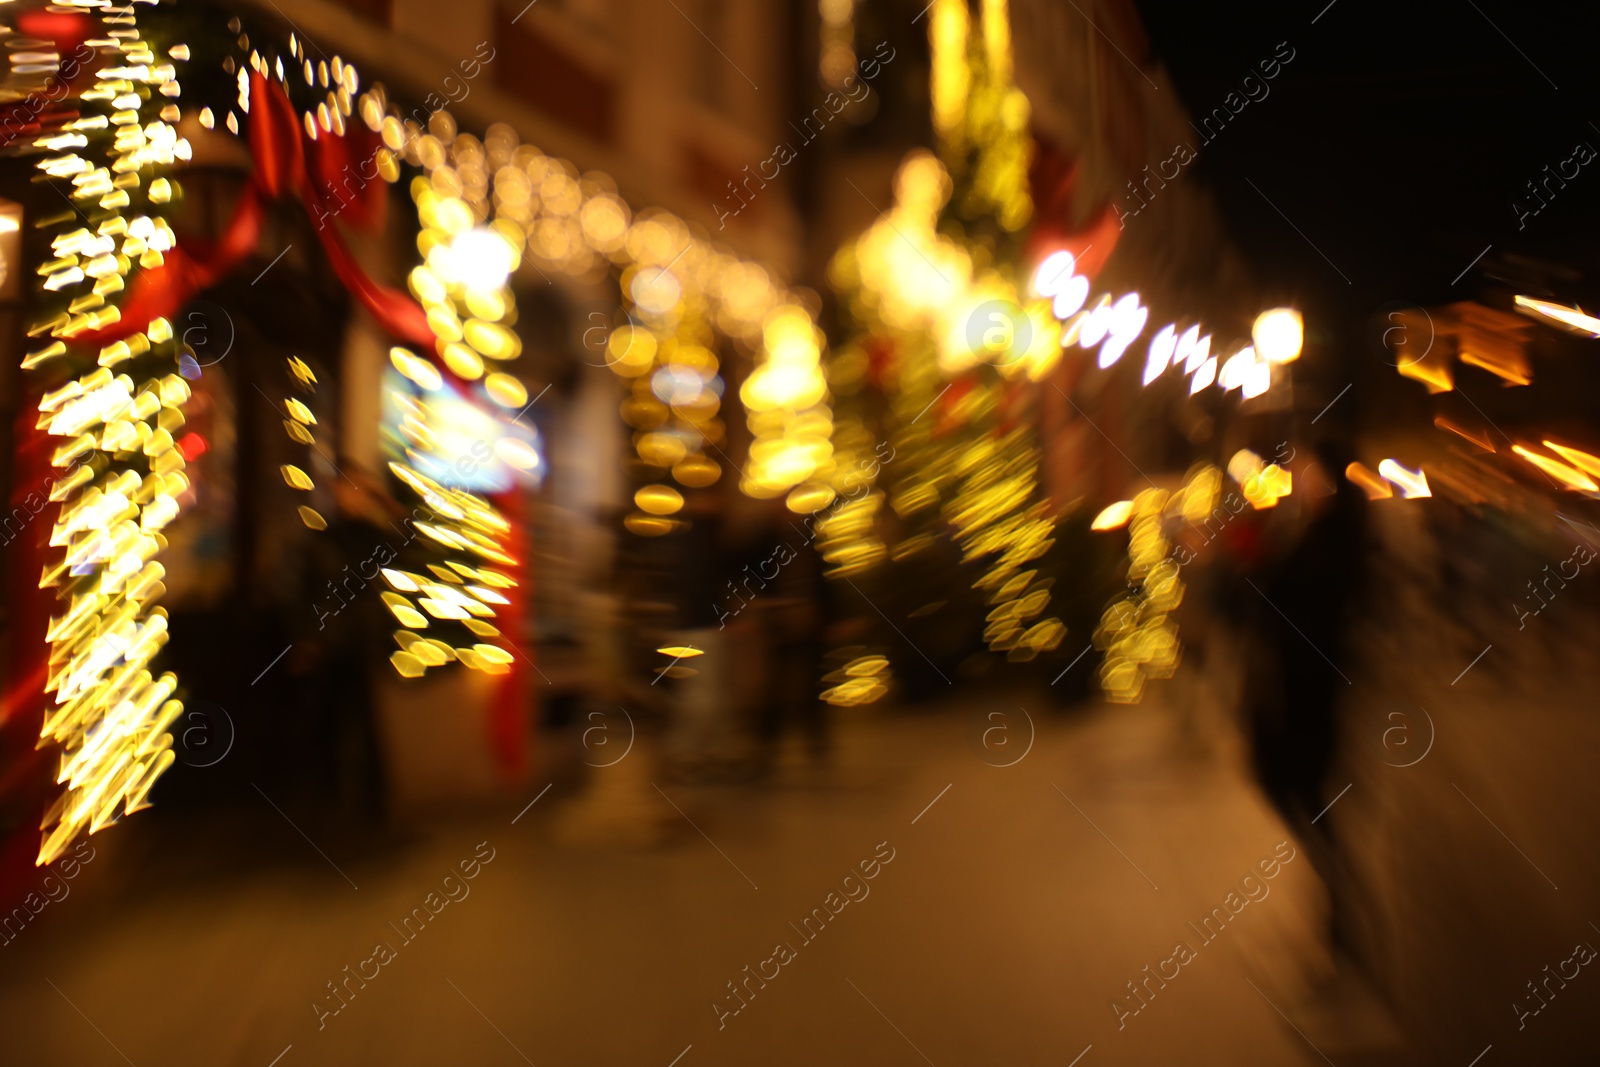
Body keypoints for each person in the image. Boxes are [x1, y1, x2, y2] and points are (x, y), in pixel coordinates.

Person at [287, 465, 396, 828]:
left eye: (361, 490)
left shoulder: (373, 537)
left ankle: (372, 807)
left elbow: (409, 537)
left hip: (361, 643)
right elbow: (306, 591)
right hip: (328, 645)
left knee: (364, 726)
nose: (354, 496)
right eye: (349, 488)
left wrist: (384, 501)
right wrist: (306, 639)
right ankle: (325, 803)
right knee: (325, 725)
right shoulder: (322, 539)